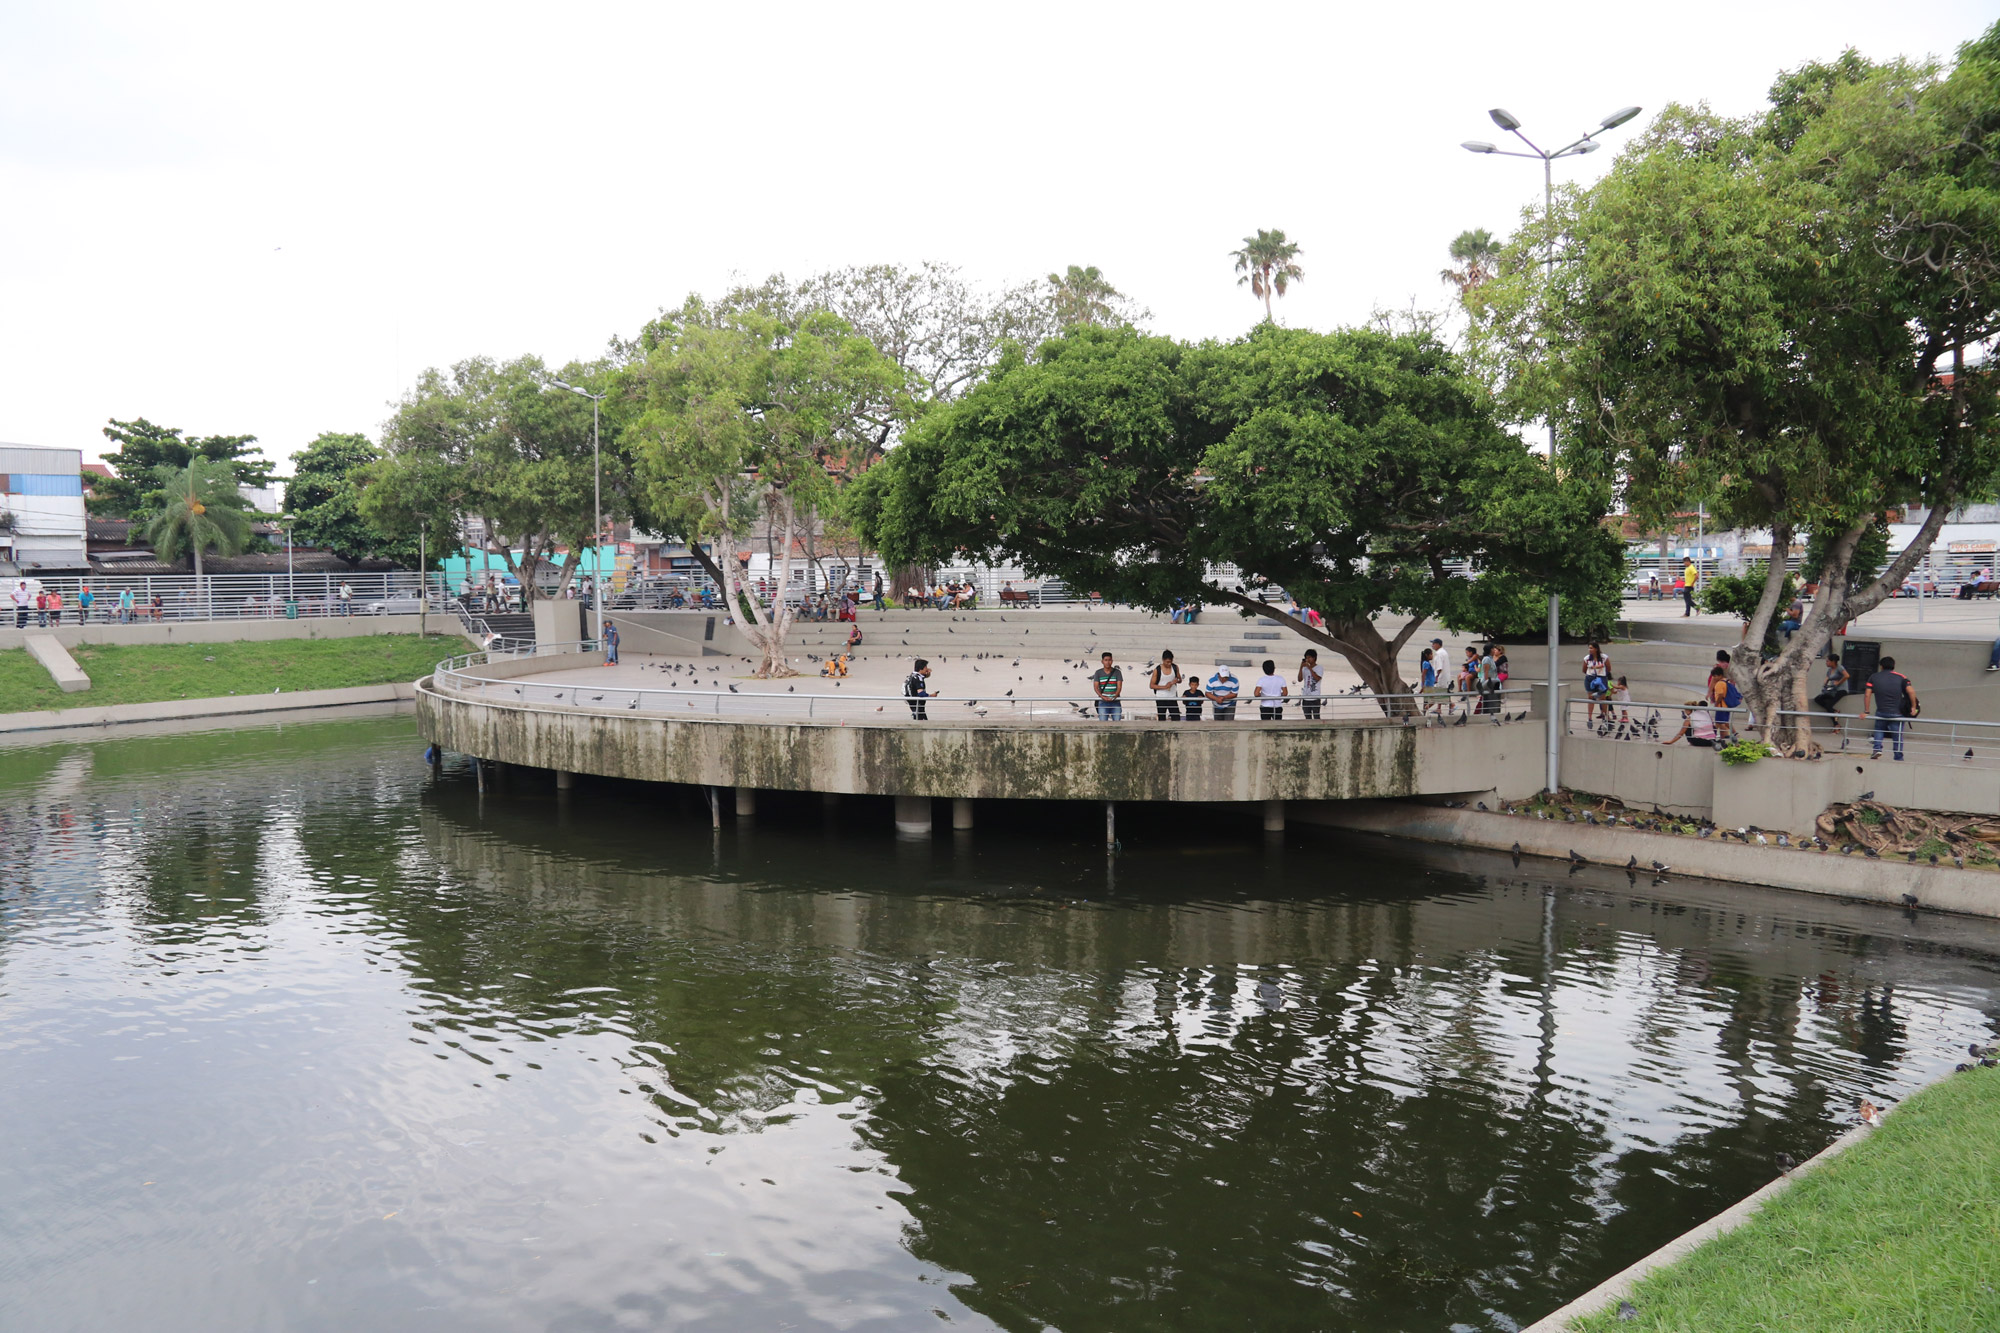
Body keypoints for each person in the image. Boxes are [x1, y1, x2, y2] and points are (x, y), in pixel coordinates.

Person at [1863, 655, 1917, 762]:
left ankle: (1877, 749)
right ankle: (1898, 757)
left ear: (1881, 666)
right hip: (1897, 713)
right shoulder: (1901, 677)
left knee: (1879, 729)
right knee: (1897, 735)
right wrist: (1913, 707)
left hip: (1881, 711)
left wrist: (1866, 711)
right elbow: (1911, 691)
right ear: (1893, 666)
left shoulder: (1874, 677)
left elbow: (1867, 694)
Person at [1582, 641, 1612, 727]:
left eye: (1591, 648)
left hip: (1601, 678)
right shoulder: (1587, 658)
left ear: (1596, 649)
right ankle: (1590, 718)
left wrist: (1602, 674)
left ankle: (1604, 716)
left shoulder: (1604, 657)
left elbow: (1609, 668)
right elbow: (1584, 670)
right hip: (1590, 678)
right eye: (1589, 648)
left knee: (1603, 698)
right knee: (1590, 698)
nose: (1589, 650)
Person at [1149, 650, 1183, 721]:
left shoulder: (1175, 667)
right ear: (1163, 660)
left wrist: (1176, 681)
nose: (1169, 664)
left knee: (1176, 718)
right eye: (1167, 662)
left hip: (1172, 697)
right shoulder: (1157, 670)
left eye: (1170, 662)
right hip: (1161, 697)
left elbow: (1180, 680)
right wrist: (1165, 687)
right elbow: (1151, 685)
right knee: (1162, 718)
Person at [1091, 651, 1124, 720]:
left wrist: (1114, 697)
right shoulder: (1098, 673)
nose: (1108, 662)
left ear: (1112, 661)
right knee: (1103, 723)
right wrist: (1103, 697)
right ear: (1102, 661)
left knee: (1117, 722)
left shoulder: (1117, 672)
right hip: (1103, 702)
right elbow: (1096, 687)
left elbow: (1119, 687)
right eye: (1106, 660)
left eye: (1109, 660)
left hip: (1115, 701)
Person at [1296, 649, 1324, 719]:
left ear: (1314, 658)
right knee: (1307, 718)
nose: (1307, 659)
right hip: (1305, 698)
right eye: (1306, 658)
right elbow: (1299, 679)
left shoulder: (1319, 668)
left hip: (1315, 697)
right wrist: (1301, 667)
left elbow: (1317, 678)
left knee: (1316, 717)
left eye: (1309, 657)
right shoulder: (1304, 668)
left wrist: (1309, 668)